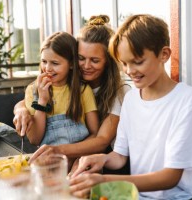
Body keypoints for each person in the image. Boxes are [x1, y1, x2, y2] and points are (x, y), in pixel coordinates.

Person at [69, 14, 192, 200]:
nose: (129, 71)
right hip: (134, 195)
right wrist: (101, 159)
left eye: (137, 62)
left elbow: (171, 177)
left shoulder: (187, 100)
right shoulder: (131, 99)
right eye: (124, 63)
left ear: (164, 54)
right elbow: (119, 156)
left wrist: (103, 181)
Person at [13, 15, 130, 173]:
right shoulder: (68, 80)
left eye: (94, 60)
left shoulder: (119, 92)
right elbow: (34, 99)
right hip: (60, 155)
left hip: (105, 157)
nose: (86, 66)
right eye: (81, 58)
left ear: (108, 62)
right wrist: (20, 109)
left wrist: (59, 151)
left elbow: (101, 140)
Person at [21, 32, 99, 170]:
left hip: (79, 157)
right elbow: (34, 139)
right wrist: (42, 101)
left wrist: (75, 156)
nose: (48, 68)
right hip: (49, 161)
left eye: (55, 63)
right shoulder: (32, 90)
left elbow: (95, 133)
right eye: (44, 61)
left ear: (70, 64)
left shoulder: (82, 90)